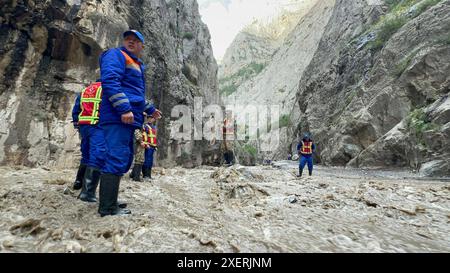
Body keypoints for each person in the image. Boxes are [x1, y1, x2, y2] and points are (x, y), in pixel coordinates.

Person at [98, 29, 161, 217]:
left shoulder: (136, 64)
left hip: (129, 119)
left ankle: (110, 200)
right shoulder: (116, 55)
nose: (131, 42)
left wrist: (149, 109)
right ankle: (107, 208)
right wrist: (123, 108)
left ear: (142, 46)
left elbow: (135, 94)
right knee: (116, 157)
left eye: (135, 40)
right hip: (118, 117)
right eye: (128, 39)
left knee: (123, 159)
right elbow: (110, 81)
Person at [71, 81, 106, 202]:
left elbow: (76, 109)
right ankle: (87, 192)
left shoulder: (84, 91)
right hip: (97, 125)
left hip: (84, 126)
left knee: (86, 155)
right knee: (97, 155)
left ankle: (79, 181)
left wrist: (77, 124)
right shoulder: (105, 89)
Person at [143, 115, 158, 180]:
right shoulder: (145, 126)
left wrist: (155, 146)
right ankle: (145, 175)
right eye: (150, 118)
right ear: (148, 119)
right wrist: (146, 144)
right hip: (148, 146)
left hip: (153, 146)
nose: (151, 119)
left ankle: (149, 175)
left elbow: (154, 137)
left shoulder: (153, 127)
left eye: (152, 118)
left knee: (150, 161)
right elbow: (144, 136)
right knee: (147, 160)